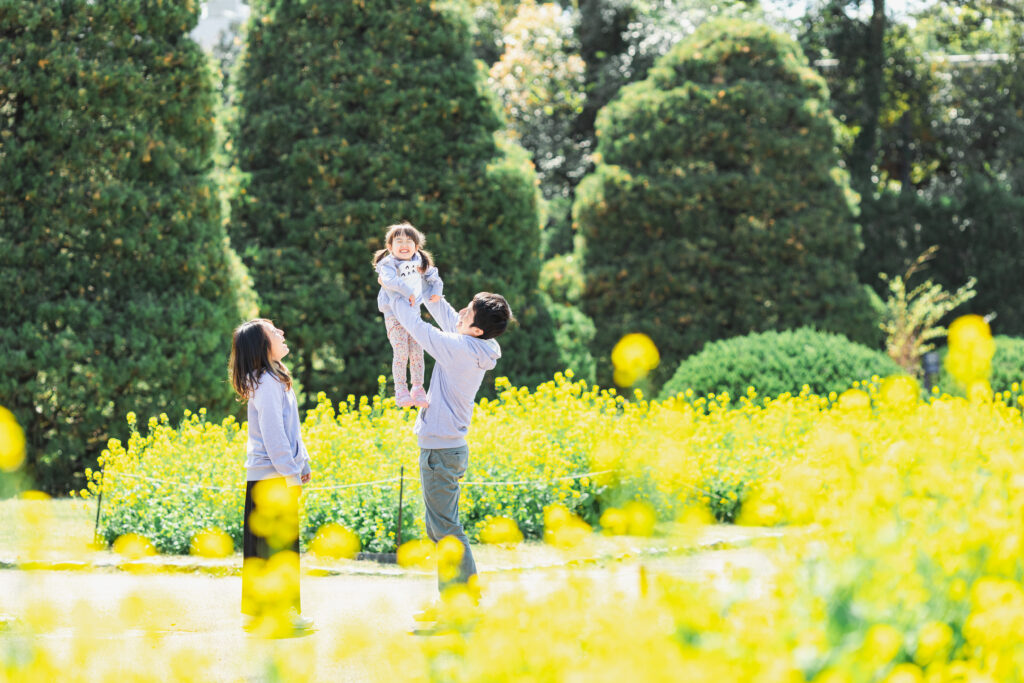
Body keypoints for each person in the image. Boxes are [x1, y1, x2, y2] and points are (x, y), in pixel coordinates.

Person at [383, 284, 513, 597]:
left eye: (467, 311)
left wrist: (395, 295)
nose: (461, 312)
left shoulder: (459, 349)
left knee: (446, 530)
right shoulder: (476, 344)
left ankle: (461, 602)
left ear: (478, 329)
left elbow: (417, 328)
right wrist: (428, 284)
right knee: (441, 528)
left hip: (440, 453)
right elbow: (448, 316)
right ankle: (458, 599)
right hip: (445, 450)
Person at [229, 319, 314, 635]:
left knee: (266, 545)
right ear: (263, 348)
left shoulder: (275, 378)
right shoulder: (266, 383)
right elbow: (274, 434)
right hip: (271, 478)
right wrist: (291, 474)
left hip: (274, 475)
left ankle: (260, 612)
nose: (282, 333)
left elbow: (291, 431)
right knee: (278, 547)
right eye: (274, 332)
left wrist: (300, 463)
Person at [373, 222, 442, 408]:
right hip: (394, 314)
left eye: (409, 241)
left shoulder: (419, 261)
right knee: (401, 351)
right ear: (390, 247)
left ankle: (418, 388)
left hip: (413, 313)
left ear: (416, 247)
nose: (404, 245)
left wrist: (436, 290)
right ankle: (401, 390)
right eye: (399, 241)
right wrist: (407, 291)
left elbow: (434, 277)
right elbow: (389, 280)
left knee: (417, 351)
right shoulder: (388, 264)